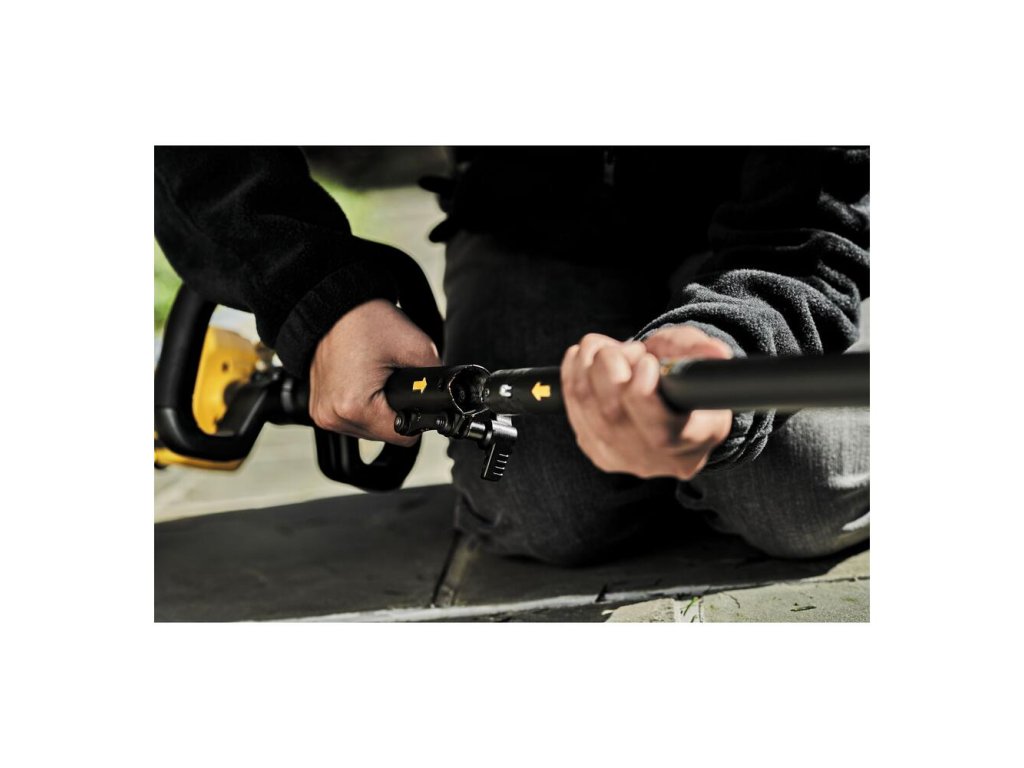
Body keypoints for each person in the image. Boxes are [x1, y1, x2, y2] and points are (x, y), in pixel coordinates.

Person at [155, 146, 870, 565]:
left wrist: (739, 334)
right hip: (530, 208)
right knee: (541, 509)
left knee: (800, 492)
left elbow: (831, 185)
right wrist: (317, 292)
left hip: (778, 220)